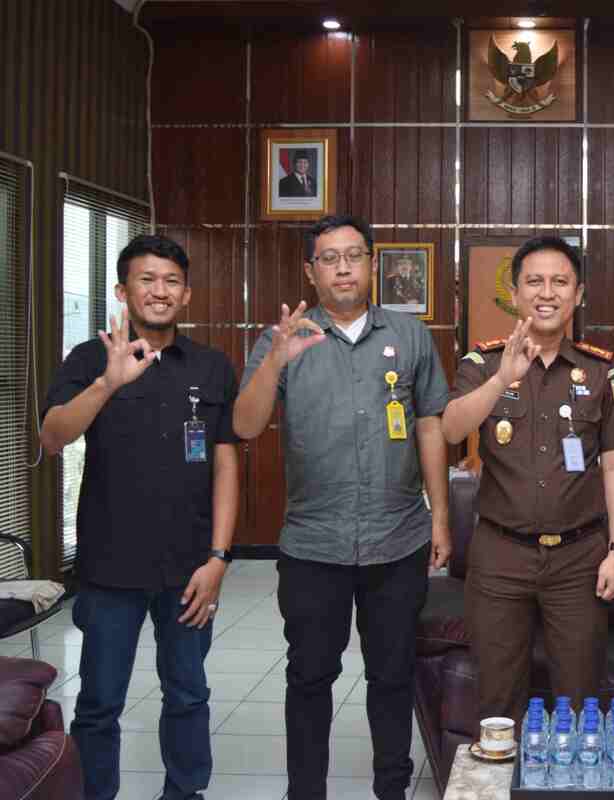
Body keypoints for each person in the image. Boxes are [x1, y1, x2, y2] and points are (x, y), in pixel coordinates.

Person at [232, 214, 451, 800]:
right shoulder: (282, 339)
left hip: (398, 538)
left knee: (392, 675)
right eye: (329, 258)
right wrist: (275, 362)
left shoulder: (409, 336)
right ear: (311, 271)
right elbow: (245, 425)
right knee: (309, 677)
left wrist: (441, 516)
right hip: (313, 544)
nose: (344, 267)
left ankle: (392, 789)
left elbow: (430, 426)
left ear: (372, 264)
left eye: (354, 255)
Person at [40, 234, 240, 800]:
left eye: (171, 281)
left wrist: (219, 559)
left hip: (189, 569)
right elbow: (52, 438)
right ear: (122, 291)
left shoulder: (211, 366)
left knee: (188, 695)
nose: (159, 291)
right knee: (99, 703)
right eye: (146, 279)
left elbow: (226, 467)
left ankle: (184, 792)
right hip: (109, 568)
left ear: (187, 294)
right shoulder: (90, 359)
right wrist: (107, 383)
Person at [442, 236, 614, 724]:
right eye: (535, 281)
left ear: (578, 294)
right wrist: (500, 380)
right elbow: (452, 429)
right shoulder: (483, 363)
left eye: (560, 282)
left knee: (580, 697)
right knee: (497, 700)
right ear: (515, 292)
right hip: (500, 556)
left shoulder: (600, 371)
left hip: (579, 559)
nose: (547, 293)